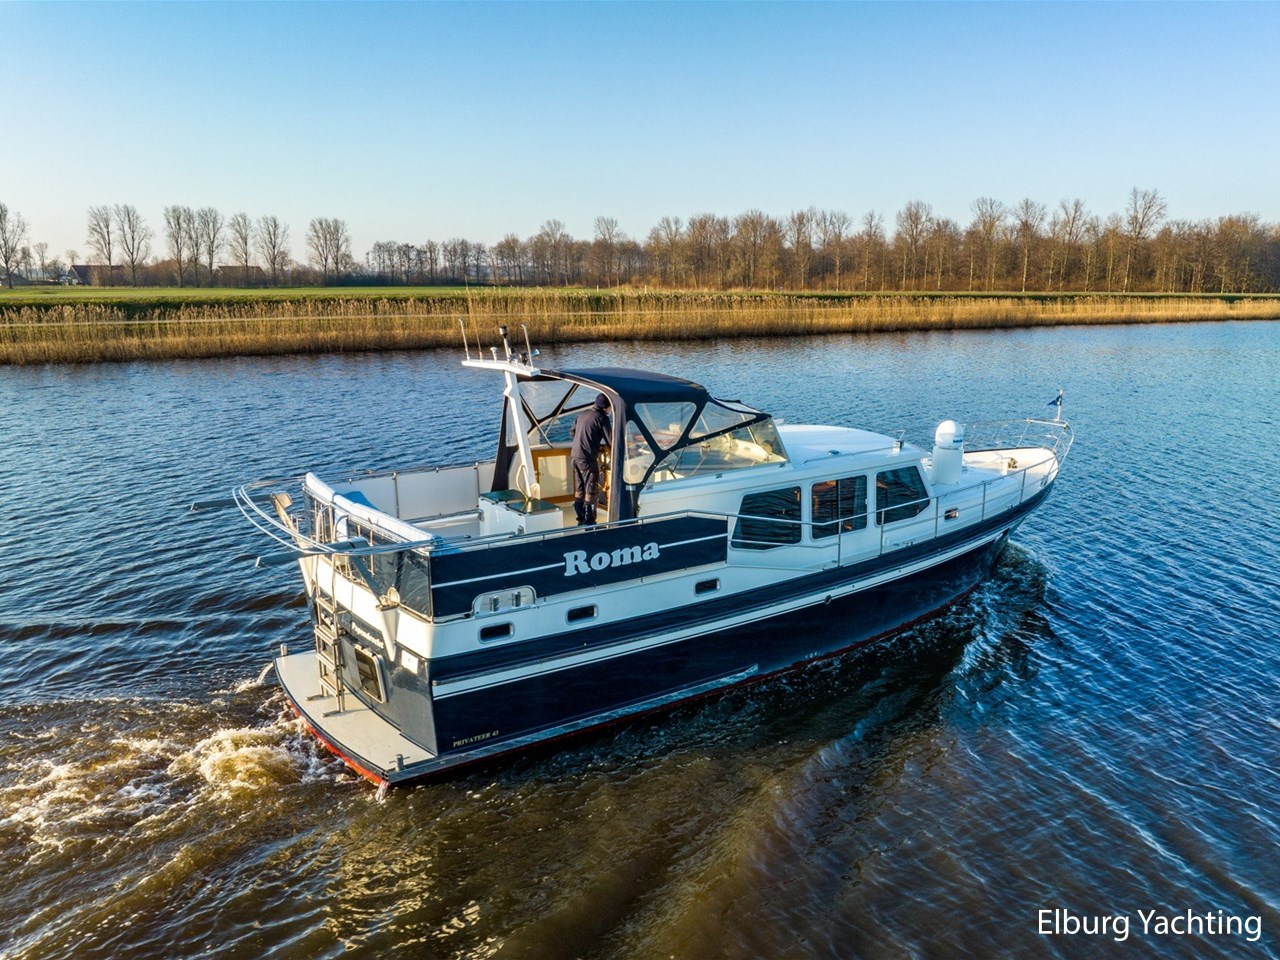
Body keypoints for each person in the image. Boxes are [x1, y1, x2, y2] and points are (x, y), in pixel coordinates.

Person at [571, 394, 611, 525]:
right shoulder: (602, 417)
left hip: (575, 456)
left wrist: (587, 441)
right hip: (587, 458)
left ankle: (580, 517)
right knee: (590, 489)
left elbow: (572, 432)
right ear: (606, 406)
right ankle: (590, 521)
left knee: (580, 487)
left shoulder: (582, 414)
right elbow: (611, 440)